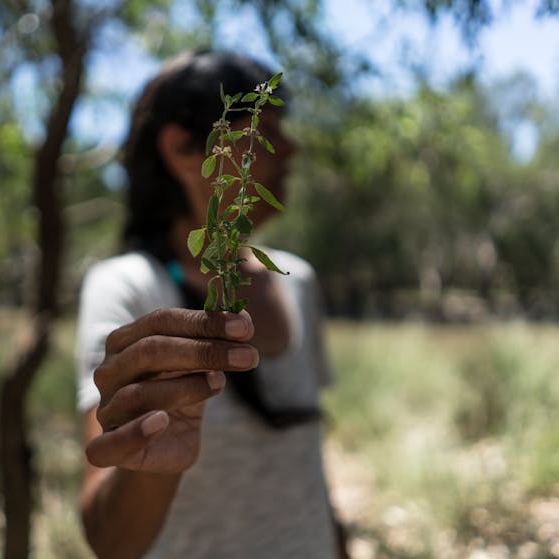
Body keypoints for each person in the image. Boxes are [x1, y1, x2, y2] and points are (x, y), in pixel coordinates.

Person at [75, 50, 348, 559]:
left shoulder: (298, 281)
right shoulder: (128, 290)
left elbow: (309, 470)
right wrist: (152, 459)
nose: (291, 150)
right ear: (182, 148)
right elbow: (109, 541)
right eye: (264, 132)